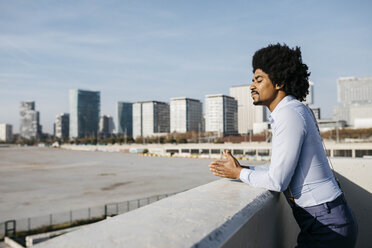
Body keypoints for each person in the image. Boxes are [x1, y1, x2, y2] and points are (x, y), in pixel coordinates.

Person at [209, 43, 358, 248]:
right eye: (252, 80)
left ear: (278, 82)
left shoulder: (289, 114)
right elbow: (279, 169)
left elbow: (278, 180)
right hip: (325, 220)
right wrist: (242, 168)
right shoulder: (291, 110)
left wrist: (238, 174)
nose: (252, 86)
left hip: (327, 226)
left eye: (259, 80)